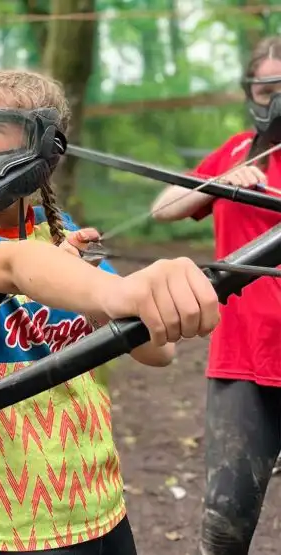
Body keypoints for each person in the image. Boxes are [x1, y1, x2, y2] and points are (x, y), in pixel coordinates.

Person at [0, 68, 221, 554]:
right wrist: (112, 290)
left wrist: (101, 302)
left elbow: (160, 355)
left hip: (102, 505)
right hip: (9, 524)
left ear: (41, 147)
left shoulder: (61, 231)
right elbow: (14, 263)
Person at [148, 35, 281, 555]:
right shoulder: (233, 150)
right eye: (266, 87)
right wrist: (218, 183)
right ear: (250, 90)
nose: (275, 99)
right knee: (224, 525)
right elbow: (163, 208)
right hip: (243, 361)